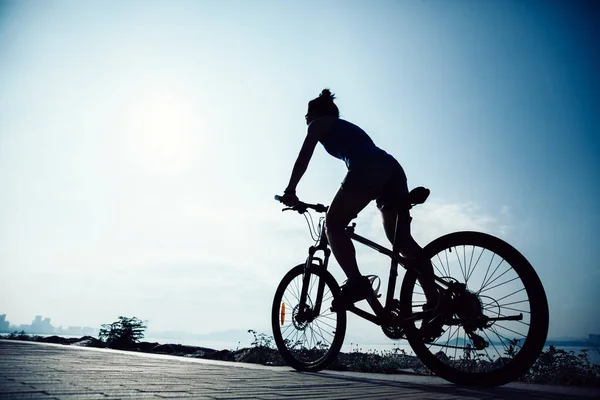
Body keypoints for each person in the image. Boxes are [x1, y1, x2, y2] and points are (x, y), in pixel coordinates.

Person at [280, 89, 438, 310]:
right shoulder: (346, 128)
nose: (305, 117)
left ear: (320, 112)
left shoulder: (319, 124)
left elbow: (304, 155)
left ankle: (356, 282)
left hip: (368, 168)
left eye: (308, 111)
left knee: (333, 224)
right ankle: (435, 301)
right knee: (402, 242)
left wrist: (290, 190)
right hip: (391, 169)